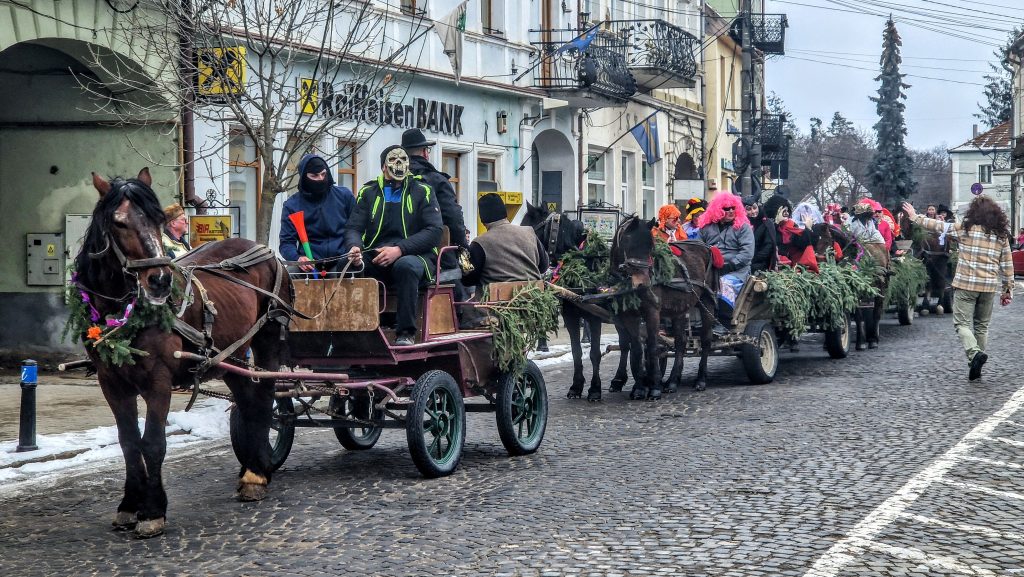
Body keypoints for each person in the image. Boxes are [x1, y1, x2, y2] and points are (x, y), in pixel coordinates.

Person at [902, 197, 1014, 381]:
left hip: (966, 286)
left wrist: (915, 217)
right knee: (982, 326)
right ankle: (976, 361)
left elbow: (937, 226)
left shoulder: (964, 228)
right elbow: (1007, 265)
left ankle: (974, 354)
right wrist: (1007, 290)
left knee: (962, 324)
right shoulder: (1001, 235)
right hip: (988, 287)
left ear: (973, 212)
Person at [346, 145, 443, 347]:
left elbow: (434, 232)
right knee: (346, 269)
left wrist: (399, 249)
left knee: (405, 266)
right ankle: (352, 332)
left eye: (402, 161)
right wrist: (355, 248)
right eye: (393, 162)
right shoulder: (368, 191)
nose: (398, 166)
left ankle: (405, 332)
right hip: (377, 255)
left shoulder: (423, 190)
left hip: (417, 255)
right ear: (383, 167)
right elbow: (354, 228)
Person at [402, 128, 469, 272]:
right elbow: (453, 218)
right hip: (435, 256)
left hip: (396, 252)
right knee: (460, 287)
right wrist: (464, 245)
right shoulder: (437, 180)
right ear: (425, 152)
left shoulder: (393, 181)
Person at [279, 154, 355, 273]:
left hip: (342, 261)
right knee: (289, 274)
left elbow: (355, 230)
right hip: (309, 265)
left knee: (350, 271)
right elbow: (286, 243)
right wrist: (297, 258)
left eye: (323, 174)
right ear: (304, 177)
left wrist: (353, 249)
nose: (320, 179)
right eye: (314, 176)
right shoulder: (291, 205)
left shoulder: (344, 196)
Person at [461, 193, 549, 287]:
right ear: (505, 214)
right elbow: (544, 267)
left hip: (495, 300)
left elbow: (469, 280)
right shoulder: (529, 232)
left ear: (482, 221)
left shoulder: (480, 242)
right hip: (533, 296)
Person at [698, 192, 755, 322]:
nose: (730, 211)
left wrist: (729, 266)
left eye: (733, 208)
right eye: (726, 208)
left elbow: (747, 253)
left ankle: (724, 322)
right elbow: (698, 249)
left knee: (723, 285)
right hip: (710, 270)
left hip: (736, 271)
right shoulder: (706, 228)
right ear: (717, 210)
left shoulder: (743, 227)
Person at [763, 194, 819, 272]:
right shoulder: (766, 225)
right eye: (783, 211)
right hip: (770, 267)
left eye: (787, 211)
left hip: (790, 267)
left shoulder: (791, 225)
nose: (786, 213)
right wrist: (776, 223)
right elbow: (769, 244)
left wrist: (809, 229)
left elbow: (804, 244)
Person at [744, 195, 777, 274]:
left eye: (754, 208)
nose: (753, 212)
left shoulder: (767, 223)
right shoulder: (742, 224)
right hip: (743, 263)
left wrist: (752, 260)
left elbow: (768, 246)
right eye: (748, 209)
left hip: (760, 265)